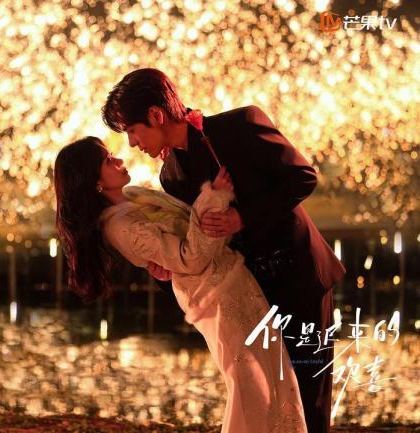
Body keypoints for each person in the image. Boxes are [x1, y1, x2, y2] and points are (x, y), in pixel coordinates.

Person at [101, 68, 346, 433]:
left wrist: (241, 218)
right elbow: (201, 241)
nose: (133, 143)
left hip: (299, 277)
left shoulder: (240, 125)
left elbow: (303, 177)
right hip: (250, 294)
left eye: (133, 130)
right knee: (275, 399)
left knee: (309, 398)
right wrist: (166, 270)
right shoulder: (171, 176)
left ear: (156, 115)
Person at [54, 136, 307, 433]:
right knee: (250, 387)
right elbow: (190, 259)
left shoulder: (135, 199)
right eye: (108, 161)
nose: (119, 160)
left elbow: (185, 239)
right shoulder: (121, 226)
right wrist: (214, 198)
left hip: (233, 283)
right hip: (216, 298)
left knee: (271, 377)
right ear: (94, 181)